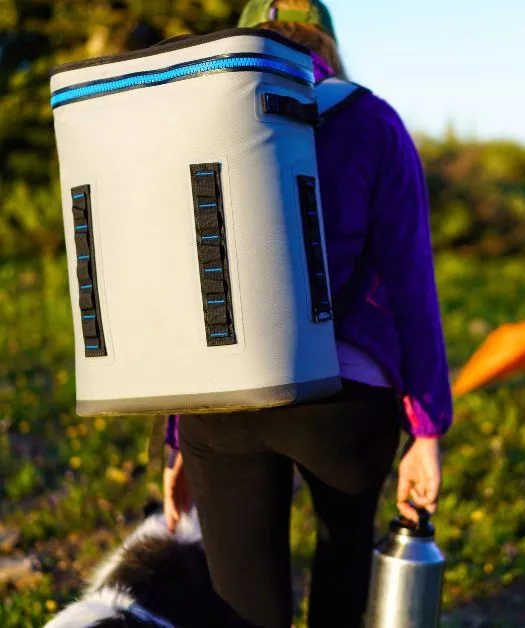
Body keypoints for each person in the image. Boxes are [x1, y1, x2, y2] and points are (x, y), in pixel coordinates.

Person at [161, 1, 453, 626]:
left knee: (242, 610)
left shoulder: (201, 118)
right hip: (346, 404)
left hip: (222, 397)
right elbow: (411, 285)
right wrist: (426, 431)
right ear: (327, 43)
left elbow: (185, 278)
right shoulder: (374, 122)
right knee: (344, 563)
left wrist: (176, 436)